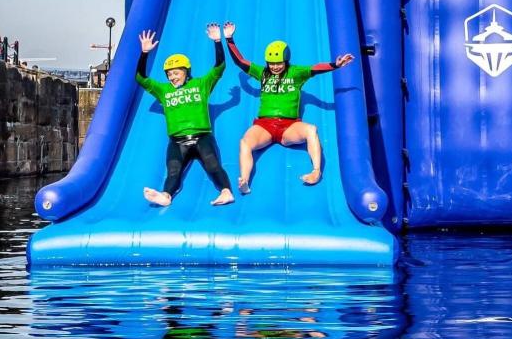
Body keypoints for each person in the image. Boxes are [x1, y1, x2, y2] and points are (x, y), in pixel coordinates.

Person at [225, 28, 354, 192]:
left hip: (289, 126)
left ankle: (316, 172)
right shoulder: (263, 73)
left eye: (279, 63)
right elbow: (241, 62)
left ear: (286, 61)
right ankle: (244, 180)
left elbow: (315, 68)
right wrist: (229, 38)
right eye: (271, 63)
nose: (275, 67)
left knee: (311, 130)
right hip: (264, 125)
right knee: (245, 142)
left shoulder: (296, 73)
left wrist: (335, 65)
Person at [135, 22, 235, 208]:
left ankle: (226, 192)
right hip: (177, 141)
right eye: (169, 74)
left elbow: (219, 67)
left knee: (214, 167)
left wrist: (217, 41)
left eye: (176, 73)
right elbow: (141, 78)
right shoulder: (163, 90)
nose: (172, 77)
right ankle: (165, 196)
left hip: (202, 137)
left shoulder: (200, 84)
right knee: (173, 172)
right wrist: (144, 53)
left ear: (186, 72)